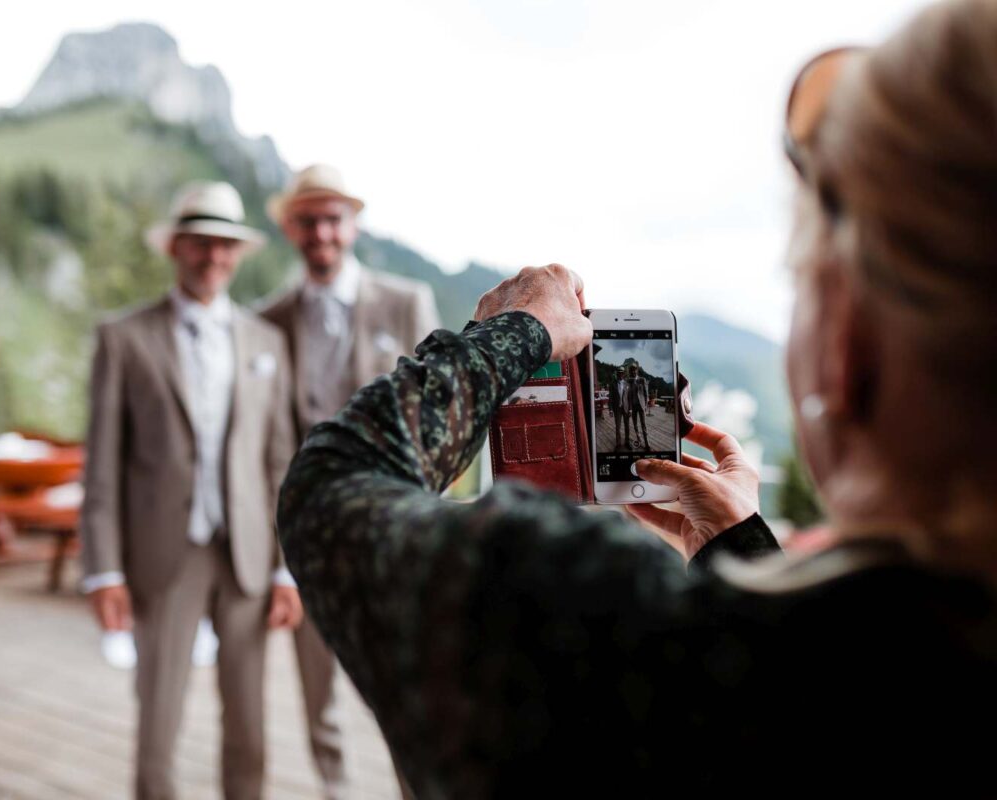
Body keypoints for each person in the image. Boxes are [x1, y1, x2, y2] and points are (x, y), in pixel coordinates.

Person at [275, 1, 997, 795]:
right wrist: (742, 551)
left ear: (846, 349)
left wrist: (512, 336)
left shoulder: (603, 628)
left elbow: (329, 488)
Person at [80, 181, 303, 800]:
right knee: (158, 723)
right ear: (175, 248)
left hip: (248, 556)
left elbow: (280, 464)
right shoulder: (122, 338)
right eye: (200, 243)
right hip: (161, 555)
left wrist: (287, 570)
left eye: (225, 245)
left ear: (238, 253)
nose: (213, 257)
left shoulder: (267, 342)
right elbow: (101, 464)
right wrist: (103, 571)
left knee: (250, 726)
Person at [258, 163, 439, 799]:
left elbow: (441, 419)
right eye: (308, 220)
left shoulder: (405, 301)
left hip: (395, 529)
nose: (322, 232)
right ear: (289, 228)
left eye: (333, 218)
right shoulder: (269, 318)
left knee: (407, 695)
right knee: (318, 694)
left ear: (353, 224)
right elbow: (266, 441)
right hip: (306, 532)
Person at [627, 364, 650, 450]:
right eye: (631, 370)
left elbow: (646, 394)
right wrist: (629, 408)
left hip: (641, 406)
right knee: (635, 425)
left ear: (637, 370)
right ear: (630, 372)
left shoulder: (642, 380)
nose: (633, 371)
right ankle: (639, 440)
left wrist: (646, 406)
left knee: (643, 425)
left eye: (634, 370)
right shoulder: (629, 381)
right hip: (633, 406)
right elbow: (628, 396)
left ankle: (647, 444)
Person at [608, 366, 627, 449]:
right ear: (617, 374)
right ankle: (618, 443)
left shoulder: (627, 384)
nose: (620, 374)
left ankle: (627, 442)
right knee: (618, 426)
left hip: (625, 408)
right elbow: (611, 397)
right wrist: (611, 410)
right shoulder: (613, 384)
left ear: (624, 374)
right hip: (617, 408)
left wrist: (630, 409)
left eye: (622, 373)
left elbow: (628, 397)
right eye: (619, 373)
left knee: (627, 426)